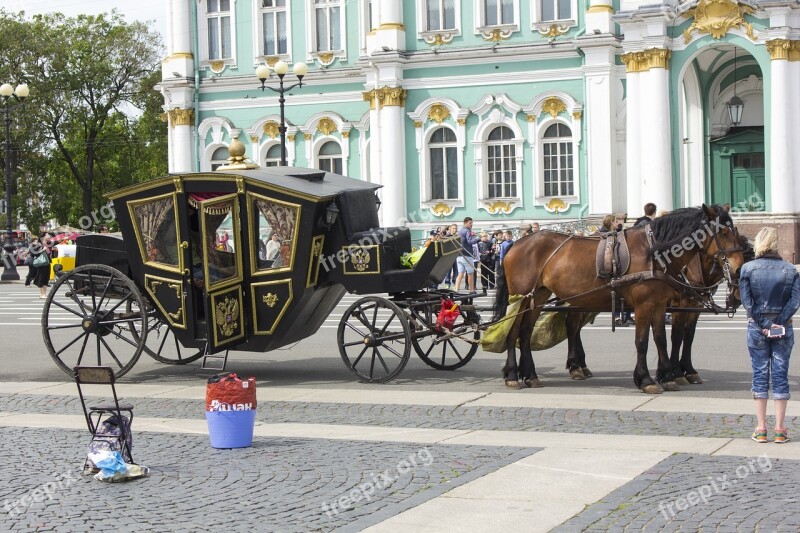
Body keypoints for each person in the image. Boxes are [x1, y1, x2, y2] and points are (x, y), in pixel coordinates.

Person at [739, 227, 800, 444]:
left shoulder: (747, 269)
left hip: (757, 327)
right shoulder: (790, 270)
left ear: (758, 243)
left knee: (760, 373)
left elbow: (747, 302)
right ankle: (780, 429)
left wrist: (764, 323)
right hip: (784, 327)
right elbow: (795, 301)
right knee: (781, 375)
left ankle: (761, 428)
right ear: (776, 243)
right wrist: (778, 322)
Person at [454, 217, 480, 293]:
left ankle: (456, 289)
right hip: (467, 256)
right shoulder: (467, 230)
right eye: (470, 223)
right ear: (465, 223)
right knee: (470, 274)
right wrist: (478, 238)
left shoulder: (460, 231)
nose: (472, 224)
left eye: (472, 223)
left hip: (459, 256)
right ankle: (471, 290)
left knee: (460, 274)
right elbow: (470, 241)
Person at [30, 235, 52, 299]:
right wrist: (42, 250)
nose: (37, 242)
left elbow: (52, 243)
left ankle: (44, 293)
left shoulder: (44, 245)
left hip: (47, 263)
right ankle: (42, 294)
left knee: (46, 278)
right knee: (41, 278)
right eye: (36, 241)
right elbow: (34, 254)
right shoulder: (33, 247)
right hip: (40, 264)